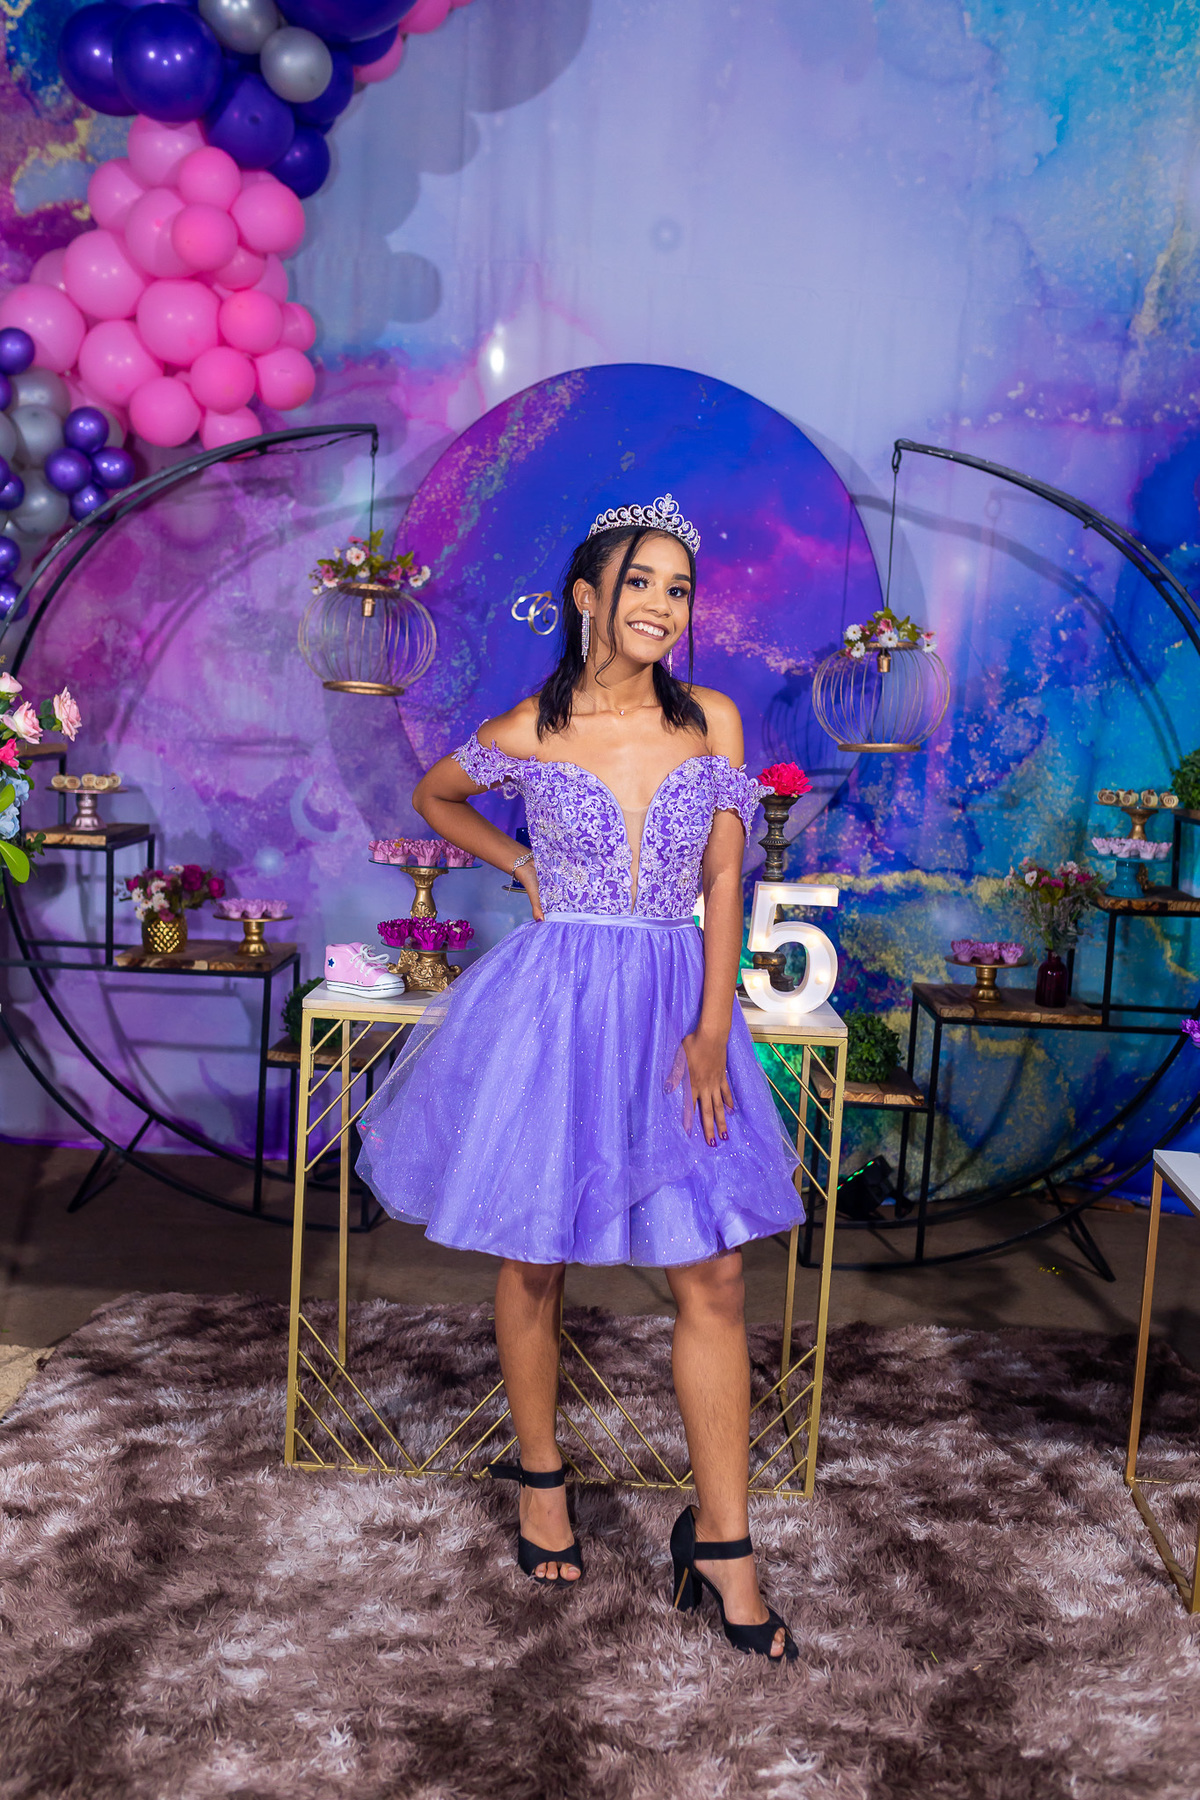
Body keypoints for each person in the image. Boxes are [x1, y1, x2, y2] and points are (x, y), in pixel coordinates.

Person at [357, 495, 803, 1662]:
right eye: (641, 583)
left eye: (680, 588)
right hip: (557, 1011)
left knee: (714, 1272)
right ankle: (541, 1476)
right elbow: (434, 797)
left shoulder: (710, 720)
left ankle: (724, 1543)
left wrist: (714, 1024)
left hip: (676, 1006)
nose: (663, 605)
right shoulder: (530, 728)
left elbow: (725, 879)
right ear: (586, 598)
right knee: (535, 1248)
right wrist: (520, 864)